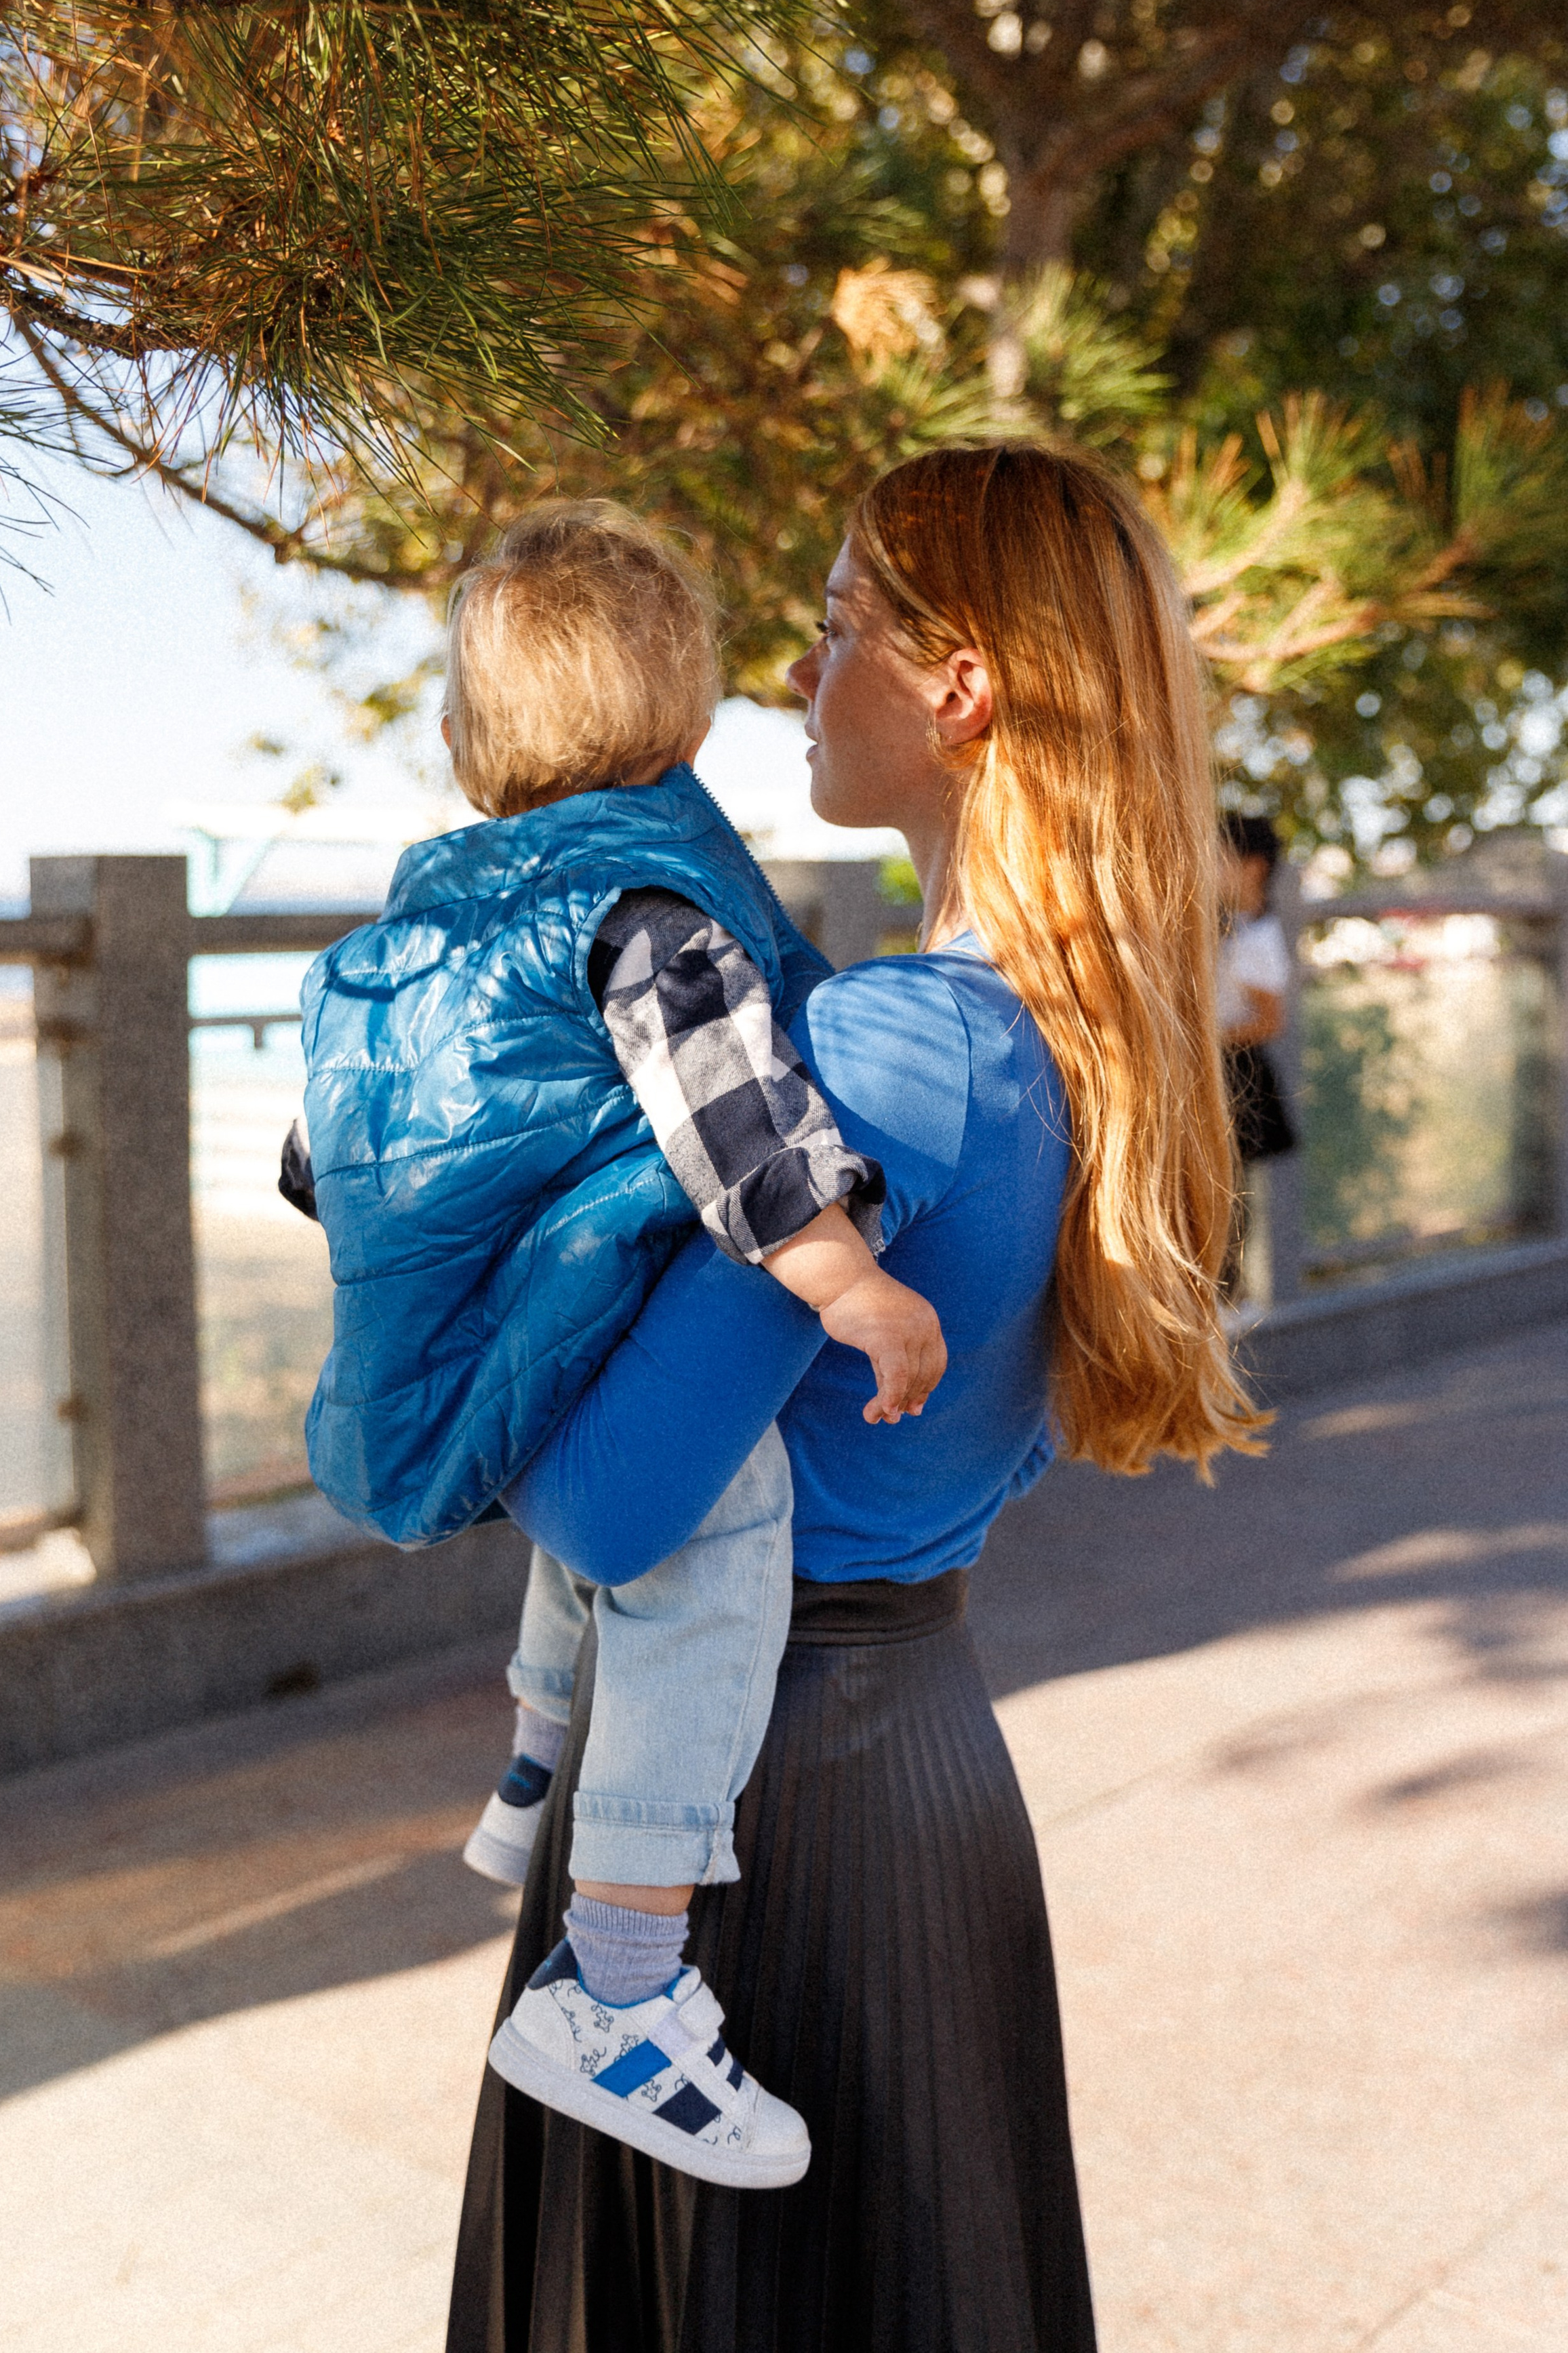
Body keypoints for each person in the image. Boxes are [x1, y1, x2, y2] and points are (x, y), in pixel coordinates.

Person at [447, 442, 1264, 2353]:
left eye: (834, 634)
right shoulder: (1051, 1037)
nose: (795, 681)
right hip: (913, 1765)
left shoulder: (889, 1051)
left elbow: (608, 1505)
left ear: (961, 684)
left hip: (736, 1803)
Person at [297, 501, 944, 2188]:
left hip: (484, 1338)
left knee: (584, 1476)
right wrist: (852, 1282)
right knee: (711, 1538)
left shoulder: (409, 931)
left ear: (462, 740)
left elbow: (333, 1156)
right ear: (681, 718)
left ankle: (533, 1755)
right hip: (571, 1308)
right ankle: (619, 1981)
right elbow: (740, 1124)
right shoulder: (647, 910)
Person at [1218, 812, 1297, 1301]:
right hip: (1220, 1066)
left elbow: (1271, 1021)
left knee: (1226, 1193)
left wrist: (1206, 1038)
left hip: (1235, 1075)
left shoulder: (1257, 939)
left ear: (1254, 867)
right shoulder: (1225, 926)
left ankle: (1227, 1296)